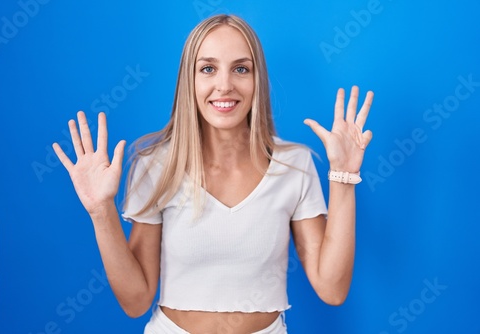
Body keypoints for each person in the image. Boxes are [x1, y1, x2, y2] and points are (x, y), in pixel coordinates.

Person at [53, 14, 373, 334]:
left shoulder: (295, 164)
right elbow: (136, 301)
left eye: (240, 69)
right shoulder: (154, 166)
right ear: (188, 80)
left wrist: (343, 176)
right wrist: (101, 211)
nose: (224, 85)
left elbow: (332, 289)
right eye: (208, 68)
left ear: (257, 79)